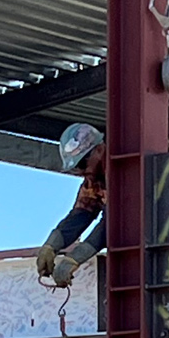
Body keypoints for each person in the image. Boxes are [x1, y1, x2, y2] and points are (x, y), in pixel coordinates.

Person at [36, 123, 107, 289]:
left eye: (82, 163)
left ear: (98, 150)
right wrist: (51, 246)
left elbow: (118, 222)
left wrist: (75, 257)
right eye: (77, 167)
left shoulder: (123, 172)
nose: (81, 171)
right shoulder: (94, 182)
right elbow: (81, 213)